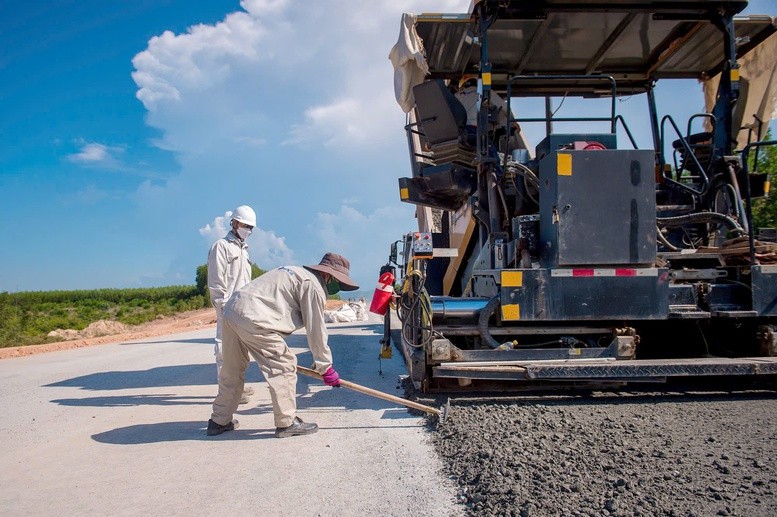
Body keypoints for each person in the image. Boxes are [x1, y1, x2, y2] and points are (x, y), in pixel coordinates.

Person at [206, 252, 359, 438]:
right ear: (328, 275)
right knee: (284, 366)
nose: (337, 287)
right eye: (338, 282)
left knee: (232, 370)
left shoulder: (295, 272)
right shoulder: (314, 287)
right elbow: (316, 330)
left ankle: (219, 421)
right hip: (256, 318)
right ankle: (286, 423)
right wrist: (325, 367)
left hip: (231, 311)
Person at [207, 205, 257, 405]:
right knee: (224, 348)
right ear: (234, 223)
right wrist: (222, 306)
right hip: (227, 307)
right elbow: (217, 280)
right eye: (245, 225)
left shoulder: (243, 249)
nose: (248, 230)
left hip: (243, 307)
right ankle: (226, 390)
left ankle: (238, 386)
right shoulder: (222, 247)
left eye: (251, 227)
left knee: (241, 350)